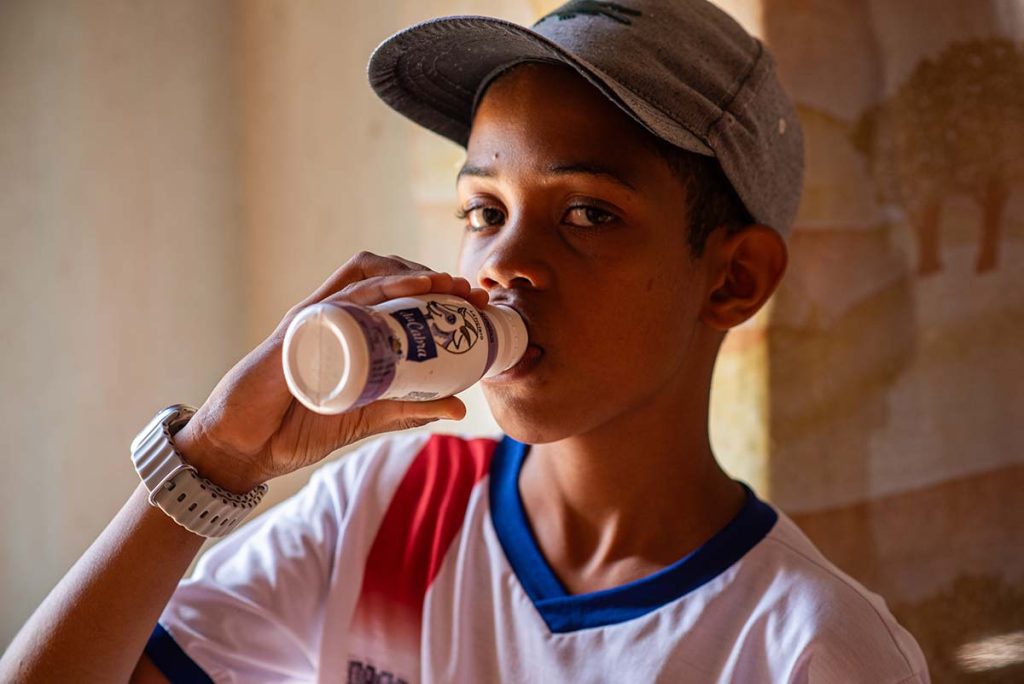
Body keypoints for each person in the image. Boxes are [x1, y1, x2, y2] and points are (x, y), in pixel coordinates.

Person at [1, 1, 930, 682]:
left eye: (588, 213)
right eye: (484, 210)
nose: (505, 265)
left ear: (733, 279)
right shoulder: (385, 510)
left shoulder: (807, 648)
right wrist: (215, 459)